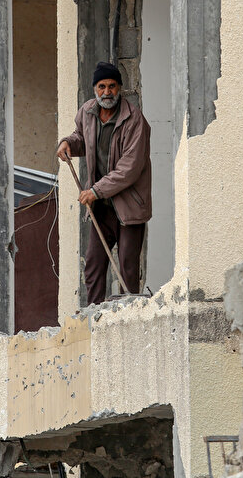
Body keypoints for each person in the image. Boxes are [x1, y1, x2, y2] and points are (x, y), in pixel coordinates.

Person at [57, 61, 152, 305]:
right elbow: (81, 138)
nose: (106, 92)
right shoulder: (87, 112)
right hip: (101, 206)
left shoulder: (135, 120)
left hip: (129, 206)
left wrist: (96, 191)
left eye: (111, 86)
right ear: (94, 89)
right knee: (93, 266)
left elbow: (129, 169)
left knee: (127, 271)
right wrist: (68, 142)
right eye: (101, 87)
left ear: (120, 88)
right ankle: (94, 318)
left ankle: (127, 319)